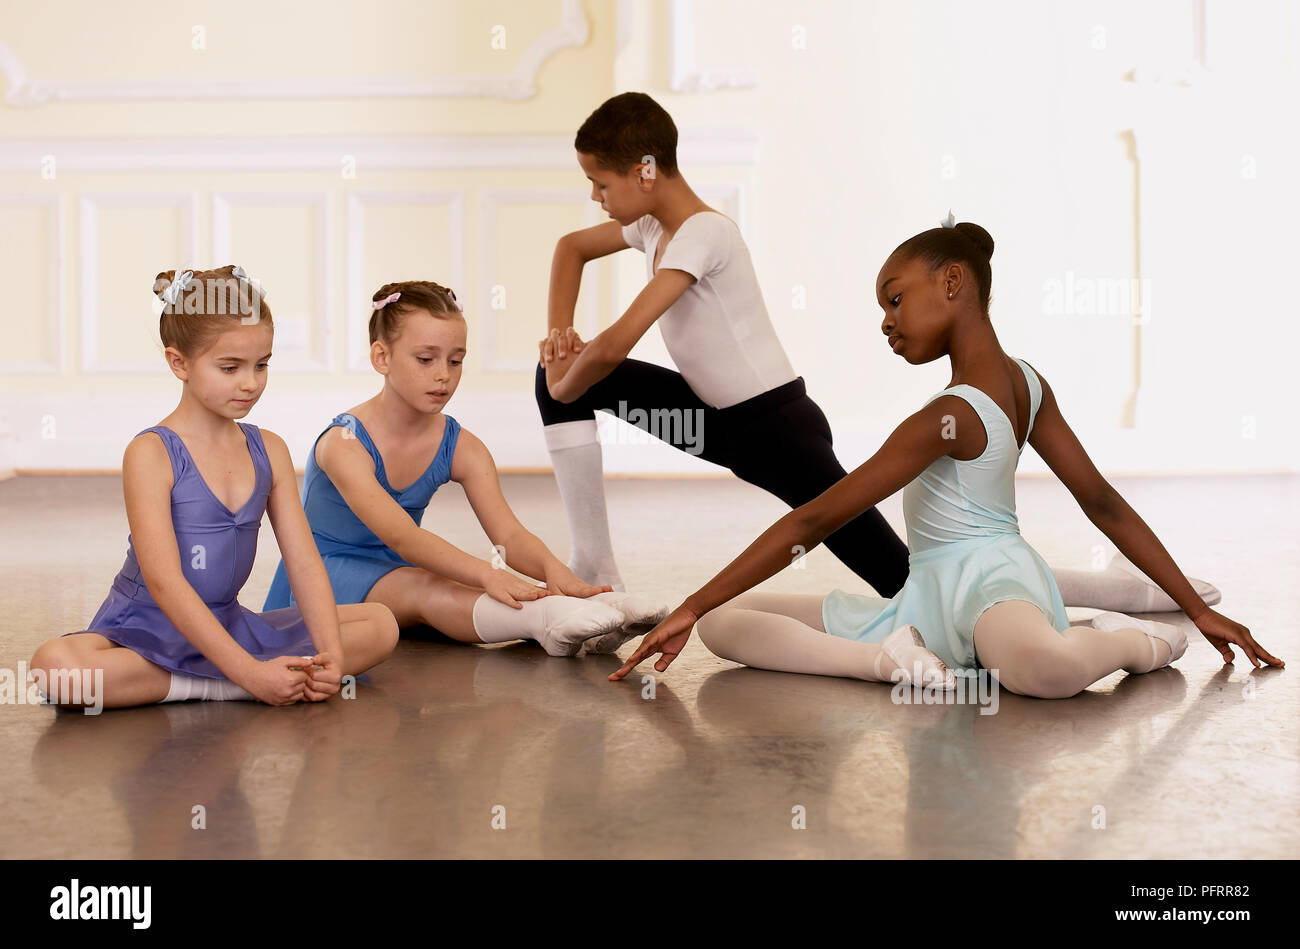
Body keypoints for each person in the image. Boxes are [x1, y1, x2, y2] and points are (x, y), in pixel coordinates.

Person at [536, 91, 1221, 616]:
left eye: (602, 183)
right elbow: (569, 250)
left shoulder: (703, 235)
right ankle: (600, 577)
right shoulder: (650, 223)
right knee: (558, 379)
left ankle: (1114, 591)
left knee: (905, 579)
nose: (595, 199)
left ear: (645, 171)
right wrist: (560, 338)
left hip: (776, 428)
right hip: (715, 419)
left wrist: (571, 378)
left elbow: (621, 341)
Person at [608, 218, 1283, 698]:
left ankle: (1136, 640)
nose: (886, 320)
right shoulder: (1013, 384)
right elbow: (1102, 503)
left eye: (896, 298)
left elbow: (811, 521)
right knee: (725, 625)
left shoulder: (960, 413)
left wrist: (1191, 616)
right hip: (924, 600)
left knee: (1039, 672)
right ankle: (888, 661)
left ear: (953, 282)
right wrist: (696, 609)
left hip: (996, 590)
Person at [29, 266, 399, 710]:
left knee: (379, 624)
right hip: (147, 632)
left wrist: (331, 660)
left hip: (226, 625)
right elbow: (165, 583)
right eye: (230, 367)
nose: (250, 383)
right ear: (178, 363)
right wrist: (250, 673)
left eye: (261, 365)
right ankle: (230, 682)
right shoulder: (151, 452)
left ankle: (233, 673)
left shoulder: (270, 448)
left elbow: (303, 563)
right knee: (57, 668)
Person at [262, 280, 668, 657]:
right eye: (426, 359)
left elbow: (507, 535)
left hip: (394, 571)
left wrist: (553, 571)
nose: (443, 375)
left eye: (456, 361)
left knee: (449, 579)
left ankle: (582, 604)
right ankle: (544, 622)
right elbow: (403, 538)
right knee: (432, 584)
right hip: (322, 575)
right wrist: (488, 575)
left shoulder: (462, 447)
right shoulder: (344, 444)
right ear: (381, 357)